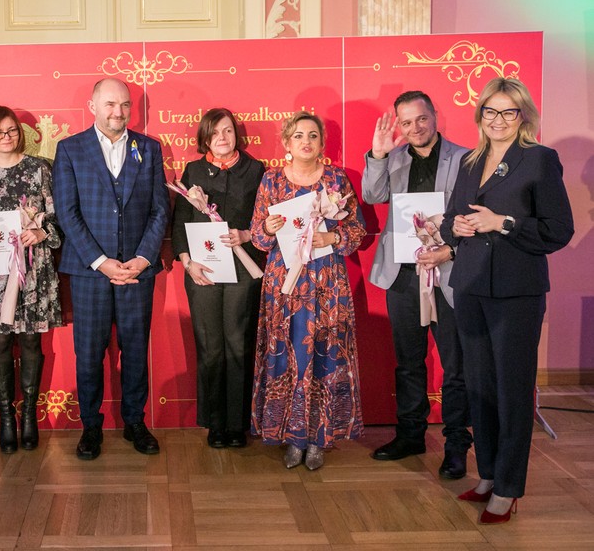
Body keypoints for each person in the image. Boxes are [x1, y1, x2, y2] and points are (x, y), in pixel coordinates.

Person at [441, 77, 573, 524]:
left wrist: (503, 222)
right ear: (480, 114)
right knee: (479, 386)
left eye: (508, 112)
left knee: (512, 390)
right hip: (471, 286)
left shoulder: (539, 160)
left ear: (523, 117)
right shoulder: (469, 161)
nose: (498, 120)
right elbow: (452, 218)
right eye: (490, 111)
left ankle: (509, 488)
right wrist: (455, 229)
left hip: (517, 292)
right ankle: (488, 474)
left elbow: (558, 230)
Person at [53, 77, 170, 460]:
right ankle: (90, 426)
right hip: (90, 272)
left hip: (138, 270)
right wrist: (102, 262)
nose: (118, 112)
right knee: (89, 354)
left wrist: (144, 257)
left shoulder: (149, 148)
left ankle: (135, 422)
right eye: (110, 104)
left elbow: (159, 209)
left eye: (124, 105)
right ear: (92, 106)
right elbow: (67, 213)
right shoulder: (70, 149)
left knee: (135, 351)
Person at [362, 91, 472, 479]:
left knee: (456, 366)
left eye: (421, 119)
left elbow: (473, 216)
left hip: (450, 275)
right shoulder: (392, 158)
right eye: (406, 122)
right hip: (404, 276)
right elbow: (372, 195)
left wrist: (449, 251)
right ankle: (410, 435)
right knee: (408, 362)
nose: (415, 128)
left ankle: (456, 445)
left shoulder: (465, 159)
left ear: (434, 115)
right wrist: (378, 155)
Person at [250, 111, 365, 470]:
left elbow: (357, 231)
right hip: (285, 283)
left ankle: (318, 438)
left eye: (313, 135)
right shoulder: (271, 180)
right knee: (287, 355)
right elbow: (257, 237)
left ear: (322, 143)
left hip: (327, 281)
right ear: (287, 142)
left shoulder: (336, 179)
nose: (306, 141)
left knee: (325, 353)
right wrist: (268, 228)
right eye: (298, 135)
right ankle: (291, 436)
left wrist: (332, 237)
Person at [0, 106, 62, 454]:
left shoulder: (40, 168)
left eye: (12, 131)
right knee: (1, 343)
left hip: (34, 269)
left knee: (32, 342)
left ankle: (30, 416)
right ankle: (7, 418)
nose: (6, 137)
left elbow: (57, 217)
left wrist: (42, 232)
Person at [171, 108, 265, 448]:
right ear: (205, 138)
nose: (222, 138)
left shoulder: (255, 170)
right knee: (210, 346)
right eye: (214, 133)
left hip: (243, 269)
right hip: (203, 269)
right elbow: (180, 221)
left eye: (227, 130)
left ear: (236, 134)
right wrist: (187, 262)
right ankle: (215, 422)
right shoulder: (194, 171)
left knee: (238, 344)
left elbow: (267, 219)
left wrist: (246, 235)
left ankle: (237, 424)